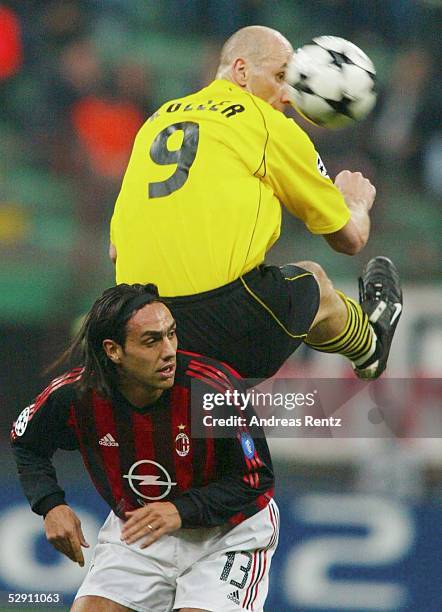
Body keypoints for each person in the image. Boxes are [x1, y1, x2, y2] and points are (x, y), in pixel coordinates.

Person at [109, 25, 403, 381]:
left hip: (140, 331)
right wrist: (354, 200)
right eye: (281, 76)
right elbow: (350, 239)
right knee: (313, 280)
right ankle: (371, 344)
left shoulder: (156, 121)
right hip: (223, 325)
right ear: (242, 71)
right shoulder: (266, 123)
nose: (288, 95)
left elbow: (114, 249)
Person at [11, 284, 278, 612]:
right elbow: (26, 441)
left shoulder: (211, 390)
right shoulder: (77, 396)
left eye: (172, 334)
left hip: (226, 536)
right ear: (114, 350)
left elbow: (256, 479)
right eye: (152, 340)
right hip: (142, 534)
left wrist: (181, 510)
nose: (169, 351)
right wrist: (51, 505)